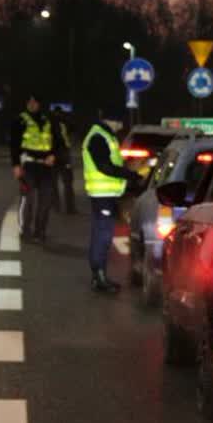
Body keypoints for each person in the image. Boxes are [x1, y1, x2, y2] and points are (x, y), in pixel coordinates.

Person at [81, 114, 141, 293]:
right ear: (108, 120)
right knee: (103, 236)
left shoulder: (105, 136)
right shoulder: (98, 137)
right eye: (118, 120)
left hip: (107, 195)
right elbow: (105, 166)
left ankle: (99, 276)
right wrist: (130, 175)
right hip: (102, 195)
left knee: (102, 235)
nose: (120, 125)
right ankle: (99, 277)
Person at [11, 96, 60, 242]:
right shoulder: (20, 120)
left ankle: (40, 232)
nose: (32, 104)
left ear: (39, 103)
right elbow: (14, 144)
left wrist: (53, 156)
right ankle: (25, 232)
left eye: (35, 102)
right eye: (29, 102)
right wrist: (16, 165)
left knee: (45, 202)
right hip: (28, 166)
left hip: (46, 167)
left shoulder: (48, 120)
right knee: (28, 200)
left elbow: (58, 142)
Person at [52, 107, 77, 214]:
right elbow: (73, 129)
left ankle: (56, 207)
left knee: (53, 183)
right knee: (68, 182)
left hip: (52, 156)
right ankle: (70, 208)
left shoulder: (48, 123)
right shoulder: (64, 122)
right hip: (63, 155)